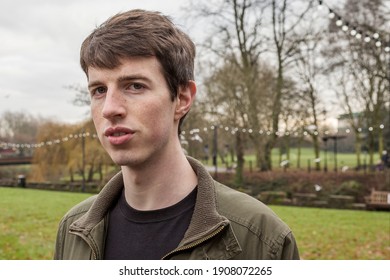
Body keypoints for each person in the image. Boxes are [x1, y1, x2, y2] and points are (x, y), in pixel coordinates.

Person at [54, 9, 299, 260]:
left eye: (135, 86)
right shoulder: (72, 231)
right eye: (99, 90)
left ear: (182, 99)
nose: (109, 109)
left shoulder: (261, 238)